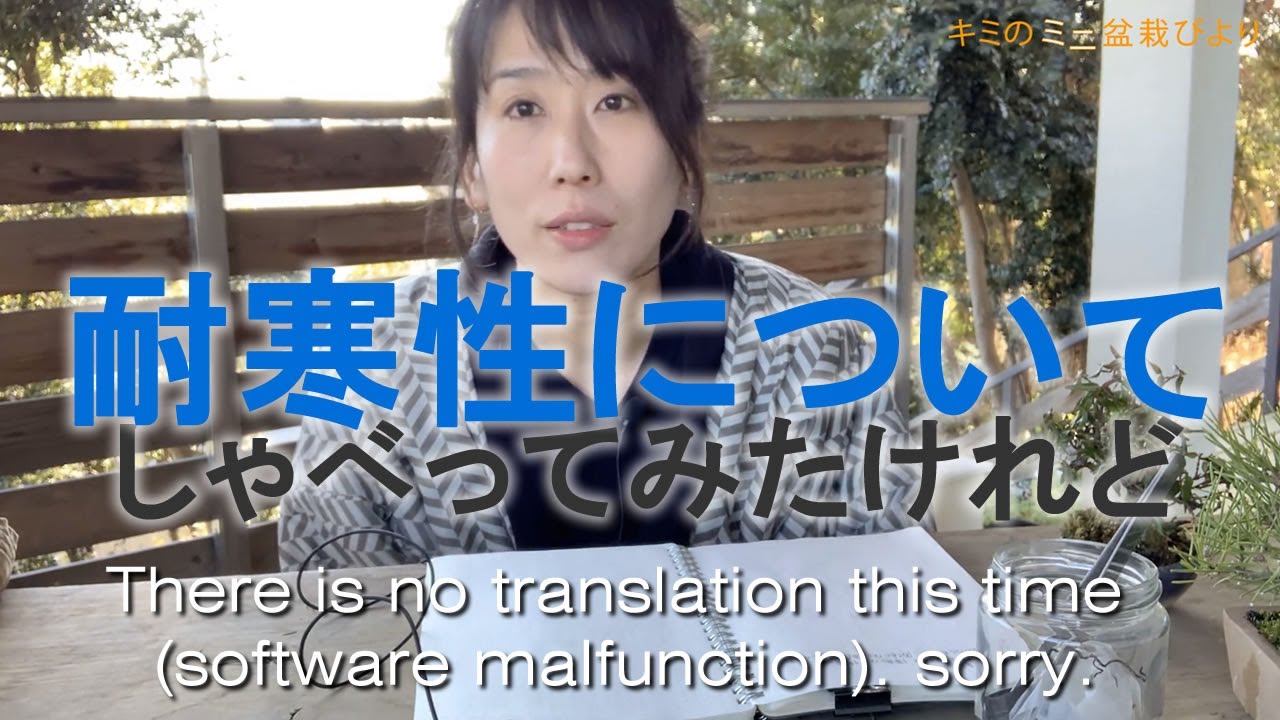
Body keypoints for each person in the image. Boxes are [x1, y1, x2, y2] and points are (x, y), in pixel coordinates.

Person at [276, 0, 928, 572]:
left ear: (684, 148)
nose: (572, 163)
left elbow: (887, 611)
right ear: (473, 168)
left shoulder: (816, 351)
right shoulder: (371, 365)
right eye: (524, 107)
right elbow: (331, 631)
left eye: (615, 101)